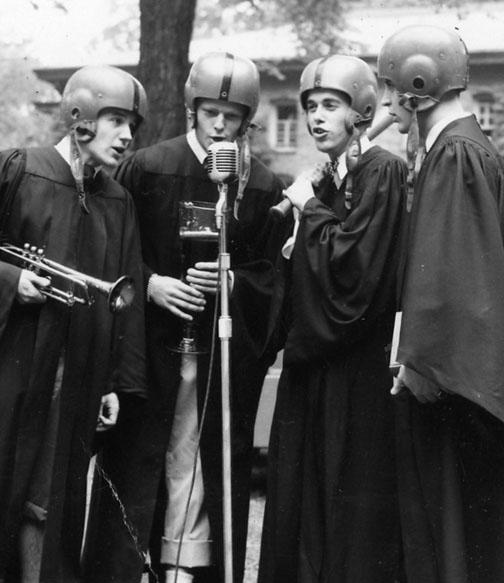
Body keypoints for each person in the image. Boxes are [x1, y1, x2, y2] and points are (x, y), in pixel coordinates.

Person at [84, 51, 288, 583]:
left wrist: (234, 284)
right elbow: (111, 248)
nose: (219, 124)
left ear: (247, 118)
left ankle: (188, 569)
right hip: (150, 353)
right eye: (209, 111)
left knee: (199, 462)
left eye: (233, 114)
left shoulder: (260, 185)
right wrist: (151, 283)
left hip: (219, 358)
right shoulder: (148, 167)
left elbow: (273, 280)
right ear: (191, 107)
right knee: (143, 460)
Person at [258, 55, 407, 583]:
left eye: (331, 105)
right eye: (310, 107)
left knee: (347, 505)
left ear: (361, 112)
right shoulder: (324, 180)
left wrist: (311, 217)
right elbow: (310, 263)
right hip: (313, 369)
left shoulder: (382, 172)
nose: (316, 117)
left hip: (355, 369)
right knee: (303, 499)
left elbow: (357, 274)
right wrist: (297, 242)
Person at [0, 64, 147, 583]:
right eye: (115, 121)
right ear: (80, 118)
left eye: (132, 124)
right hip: (14, 369)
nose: (128, 136)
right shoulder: (19, 170)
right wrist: (11, 280)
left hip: (79, 376)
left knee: (53, 500)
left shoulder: (117, 199)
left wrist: (113, 383)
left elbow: (122, 296)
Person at [377, 24, 504, 583]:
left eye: (389, 88)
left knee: (455, 536)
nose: (384, 103)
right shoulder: (459, 148)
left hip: (453, 383)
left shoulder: (455, 154)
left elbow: (458, 279)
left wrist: (420, 360)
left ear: (417, 83)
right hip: (456, 376)